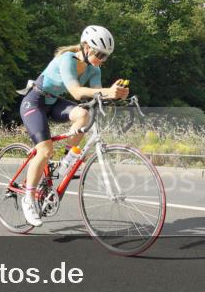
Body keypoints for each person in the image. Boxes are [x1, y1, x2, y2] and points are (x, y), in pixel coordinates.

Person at [18, 25, 128, 226]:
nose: (102, 60)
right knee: (45, 151)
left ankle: (67, 161)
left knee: (83, 114)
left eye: (105, 56)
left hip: (53, 102)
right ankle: (28, 199)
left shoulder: (94, 70)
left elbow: (97, 95)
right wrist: (108, 91)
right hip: (34, 102)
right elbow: (77, 92)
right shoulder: (67, 59)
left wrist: (117, 94)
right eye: (99, 54)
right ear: (86, 47)